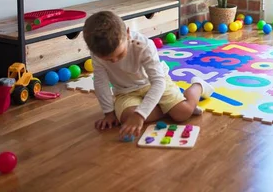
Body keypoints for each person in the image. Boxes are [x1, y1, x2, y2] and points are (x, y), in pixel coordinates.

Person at [82, 11, 214, 139]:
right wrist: (109, 113)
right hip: (126, 91)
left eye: (120, 54)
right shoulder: (97, 54)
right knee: (127, 118)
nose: (115, 61)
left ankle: (198, 86)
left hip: (153, 83)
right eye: (108, 60)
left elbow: (158, 82)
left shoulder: (143, 45)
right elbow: (101, 83)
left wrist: (140, 114)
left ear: (127, 34)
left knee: (183, 113)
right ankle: (167, 107)